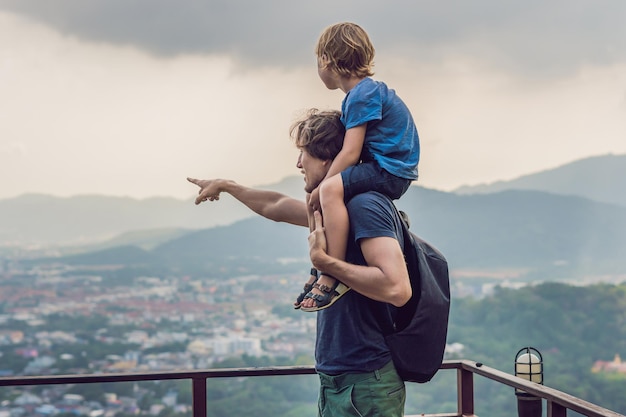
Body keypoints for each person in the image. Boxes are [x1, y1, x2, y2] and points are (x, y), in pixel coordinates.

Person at [187, 108, 411, 417]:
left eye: (302, 154)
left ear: (325, 159)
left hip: (366, 380)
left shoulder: (364, 206)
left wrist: (324, 262)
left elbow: (397, 287)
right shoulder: (337, 207)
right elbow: (276, 205)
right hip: (342, 378)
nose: (297, 164)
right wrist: (228, 185)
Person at [299, 22, 420, 312]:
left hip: (388, 170)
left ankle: (331, 273)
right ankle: (320, 269)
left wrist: (324, 184)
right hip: (390, 169)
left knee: (327, 191)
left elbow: (350, 152)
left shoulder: (361, 95)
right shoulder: (365, 93)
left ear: (326, 60)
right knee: (322, 194)